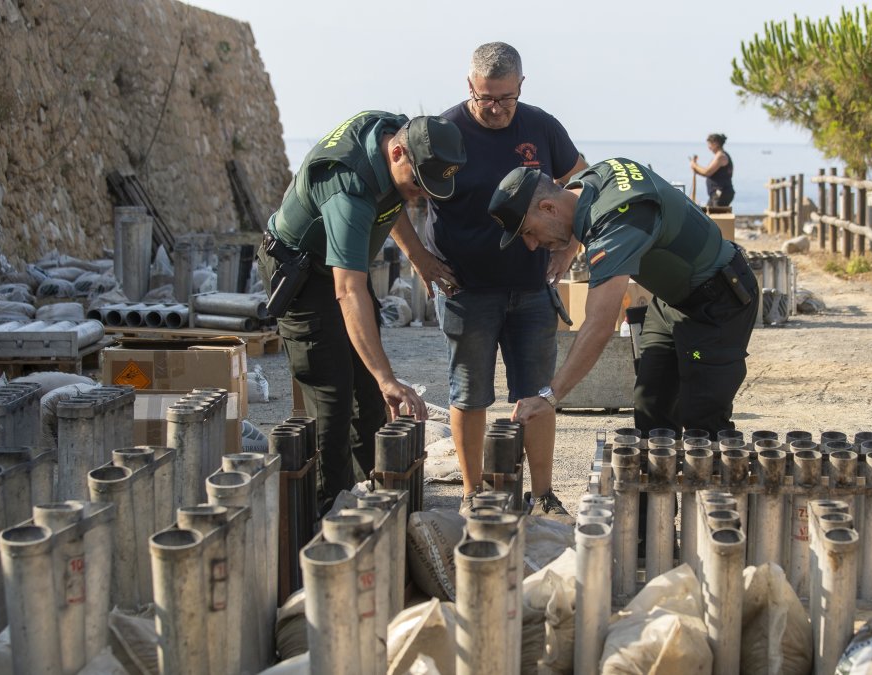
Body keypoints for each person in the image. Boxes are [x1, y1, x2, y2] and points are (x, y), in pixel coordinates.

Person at [392, 42, 585, 517]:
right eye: (486, 99)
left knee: (537, 391)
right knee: (469, 391)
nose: (496, 109)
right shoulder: (444, 131)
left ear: (521, 86)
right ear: (469, 87)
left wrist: (569, 245)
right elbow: (391, 196)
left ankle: (542, 495)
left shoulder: (541, 126)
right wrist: (419, 259)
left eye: (506, 98)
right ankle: (472, 493)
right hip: (465, 290)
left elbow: (584, 181)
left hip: (532, 288)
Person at [257, 112, 466, 505]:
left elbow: (393, 200)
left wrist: (418, 256)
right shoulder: (348, 189)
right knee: (331, 402)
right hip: (302, 272)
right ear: (398, 152)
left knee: (368, 398)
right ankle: (327, 516)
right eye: (421, 184)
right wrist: (389, 377)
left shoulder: (394, 137)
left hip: (339, 264)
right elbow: (348, 291)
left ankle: (369, 497)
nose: (422, 194)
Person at [489, 159, 759, 435]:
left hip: (717, 300)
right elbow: (583, 213)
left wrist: (550, 397)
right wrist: (568, 249)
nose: (532, 245)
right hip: (669, 300)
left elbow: (599, 325)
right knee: (651, 408)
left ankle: (712, 476)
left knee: (702, 421)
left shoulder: (616, 224)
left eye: (530, 232)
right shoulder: (591, 178)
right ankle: (661, 477)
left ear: (548, 208)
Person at [689, 133, 735, 208]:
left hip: (720, 193)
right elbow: (707, 173)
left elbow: (707, 172)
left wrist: (695, 165)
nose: (709, 147)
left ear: (716, 143)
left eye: (709, 145)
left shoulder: (721, 156)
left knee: (712, 217)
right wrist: (696, 169)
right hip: (716, 194)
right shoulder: (720, 155)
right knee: (706, 214)